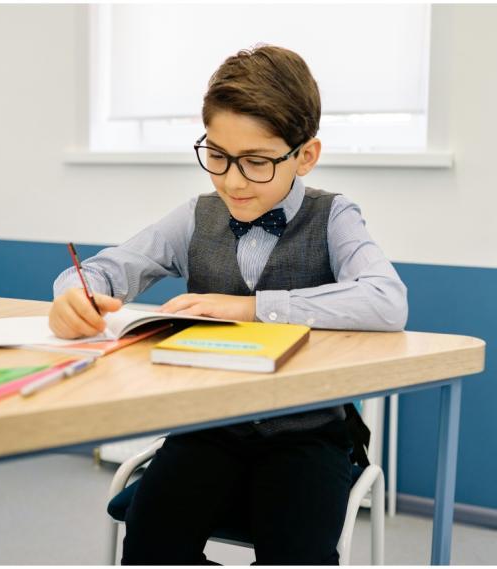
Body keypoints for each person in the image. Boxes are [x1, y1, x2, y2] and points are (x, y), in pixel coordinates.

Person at [49, 45, 407, 565]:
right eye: (217, 156)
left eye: (256, 162)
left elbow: (386, 300)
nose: (231, 180)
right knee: (151, 548)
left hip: (305, 436)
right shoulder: (196, 216)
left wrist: (249, 308)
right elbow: (109, 269)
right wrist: (72, 294)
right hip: (205, 429)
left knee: (299, 556)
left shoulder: (334, 217)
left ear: (304, 155)